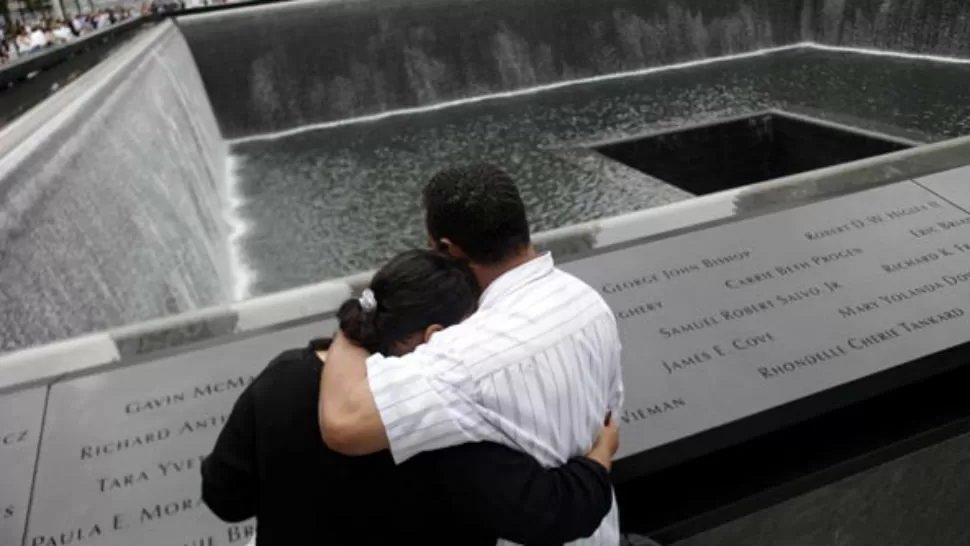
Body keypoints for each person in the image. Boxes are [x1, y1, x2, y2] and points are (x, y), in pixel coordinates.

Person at [202, 250, 621, 546]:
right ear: (435, 336)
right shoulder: (440, 419)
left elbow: (226, 498)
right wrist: (598, 459)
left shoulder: (284, 375)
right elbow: (546, 515)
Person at [320, 164, 625, 545]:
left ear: (446, 249)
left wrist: (357, 324)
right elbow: (609, 420)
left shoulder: (463, 354)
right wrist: (598, 459)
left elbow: (343, 425)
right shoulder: (589, 303)